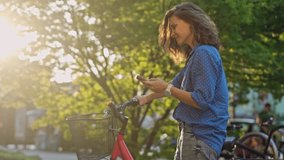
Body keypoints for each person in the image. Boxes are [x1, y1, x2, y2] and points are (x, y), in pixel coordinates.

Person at [137, 2, 229, 160]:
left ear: (192, 22)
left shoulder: (204, 53)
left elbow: (201, 100)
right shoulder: (196, 55)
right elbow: (173, 86)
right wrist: (146, 97)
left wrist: (166, 87)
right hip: (192, 136)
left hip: (200, 138)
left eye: (174, 27)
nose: (172, 33)